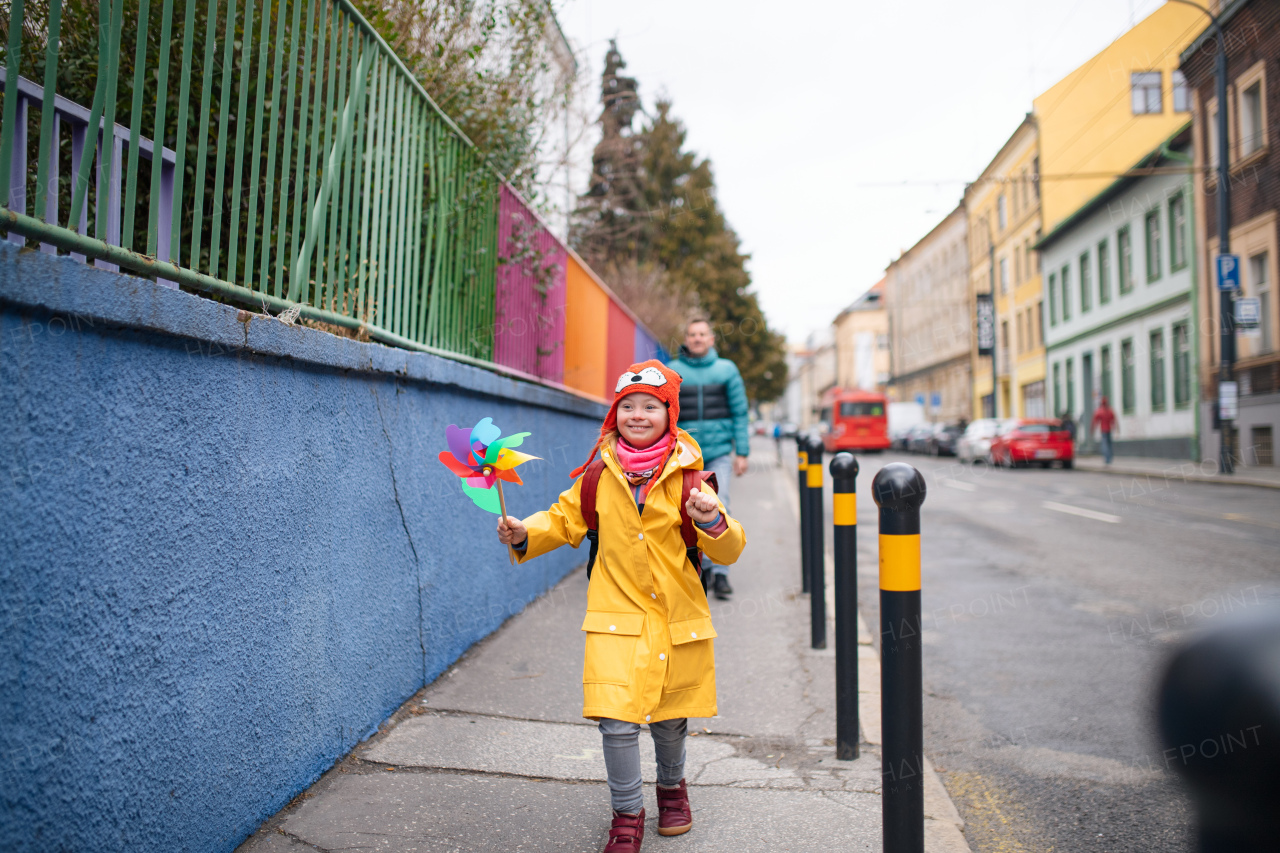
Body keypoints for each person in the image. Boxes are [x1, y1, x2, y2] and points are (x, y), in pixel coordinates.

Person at [496, 360, 746, 853]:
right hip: (616, 616)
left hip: (677, 616)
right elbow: (564, 520)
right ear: (614, 415)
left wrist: (713, 519)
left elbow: (729, 550)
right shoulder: (597, 474)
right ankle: (627, 813)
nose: (637, 414)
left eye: (650, 406)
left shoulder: (691, 479)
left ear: (668, 414)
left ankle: (672, 791)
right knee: (616, 718)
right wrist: (526, 532)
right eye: (627, 406)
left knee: (670, 717)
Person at [668, 318, 749, 601]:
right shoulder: (673, 371)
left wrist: (743, 452)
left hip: (718, 453)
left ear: (711, 339)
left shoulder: (727, 370)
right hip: (682, 454)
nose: (697, 339)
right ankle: (695, 566)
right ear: (686, 339)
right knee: (684, 508)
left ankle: (721, 573)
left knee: (719, 501)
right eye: (692, 334)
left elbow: (740, 412)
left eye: (702, 334)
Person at [1091, 396, 1118, 465]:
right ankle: (1109, 458)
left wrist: (1092, 429)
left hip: (1104, 430)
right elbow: (1114, 420)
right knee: (1109, 444)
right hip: (1108, 430)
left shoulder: (1100, 411)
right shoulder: (1109, 410)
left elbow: (1095, 420)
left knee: (1105, 445)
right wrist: (1116, 428)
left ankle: (1107, 459)